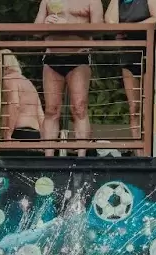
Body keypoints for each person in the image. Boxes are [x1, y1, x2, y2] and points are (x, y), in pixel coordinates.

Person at [35, 0, 104, 149]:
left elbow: (99, 28)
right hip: (51, 56)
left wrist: (68, 25)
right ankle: (48, 160)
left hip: (79, 56)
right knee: (51, 110)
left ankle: (81, 159)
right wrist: (45, 23)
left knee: (79, 108)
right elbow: (35, 30)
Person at [104, 0, 156, 138]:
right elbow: (110, 21)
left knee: (147, 108)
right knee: (134, 108)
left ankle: (150, 150)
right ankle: (138, 151)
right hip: (128, 55)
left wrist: (129, 28)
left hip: (149, 53)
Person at [0, 52, 44, 143]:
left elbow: (14, 105)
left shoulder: (9, 79)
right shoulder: (28, 82)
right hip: (35, 133)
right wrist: (43, 138)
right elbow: (40, 114)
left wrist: (8, 134)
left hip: (18, 132)